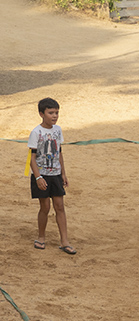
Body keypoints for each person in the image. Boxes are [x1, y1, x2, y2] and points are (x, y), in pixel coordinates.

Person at [28, 97, 75, 254]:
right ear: (41, 114)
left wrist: (63, 173)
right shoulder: (36, 133)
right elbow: (32, 159)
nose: (54, 116)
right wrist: (38, 177)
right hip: (42, 176)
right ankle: (41, 237)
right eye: (51, 113)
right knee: (45, 207)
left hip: (55, 175)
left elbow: (59, 152)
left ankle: (65, 241)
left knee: (60, 206)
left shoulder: (58, 130)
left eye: (56, 113)